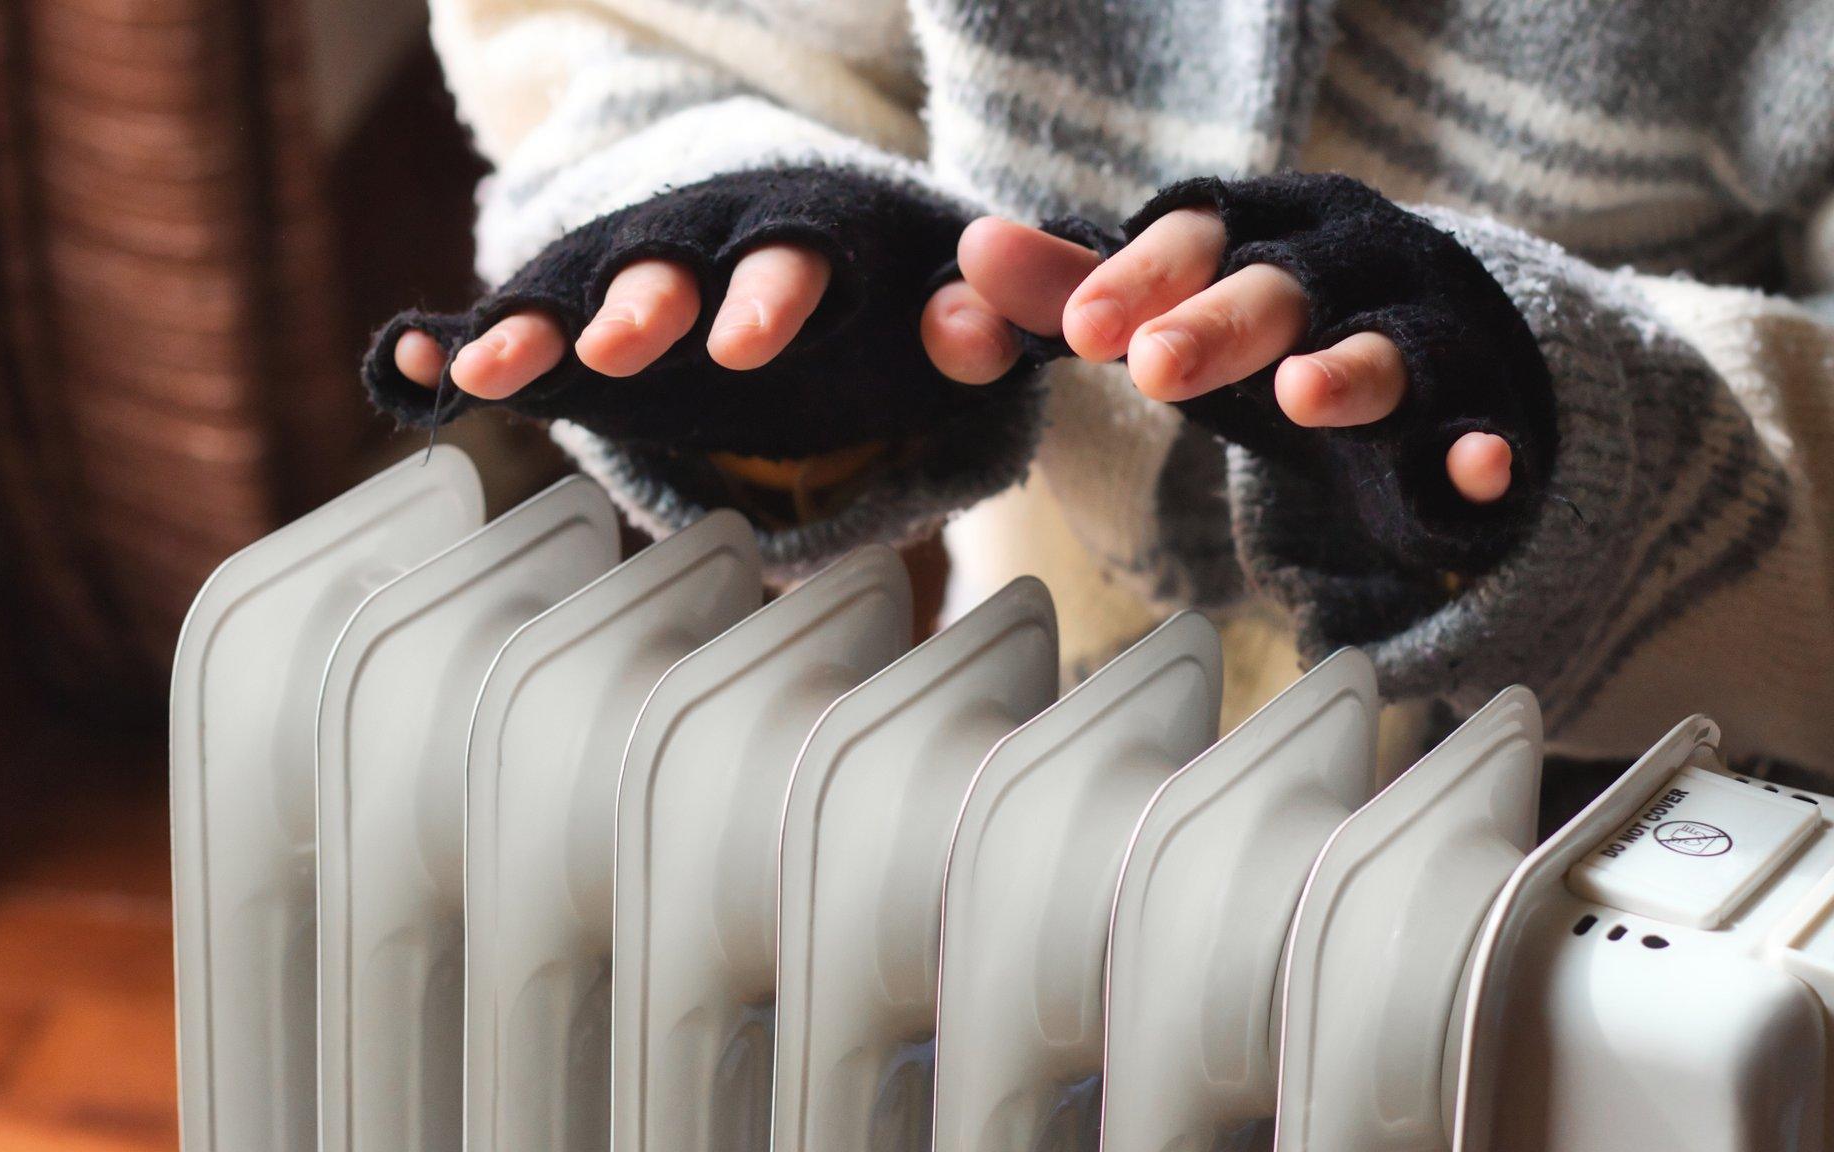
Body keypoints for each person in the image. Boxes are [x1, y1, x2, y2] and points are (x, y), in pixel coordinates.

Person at [362, 0, 1834, 778]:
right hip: (1056, 717)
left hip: (1649, 822)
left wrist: (1597, 449)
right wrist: (761, 237)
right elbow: (645, 41)